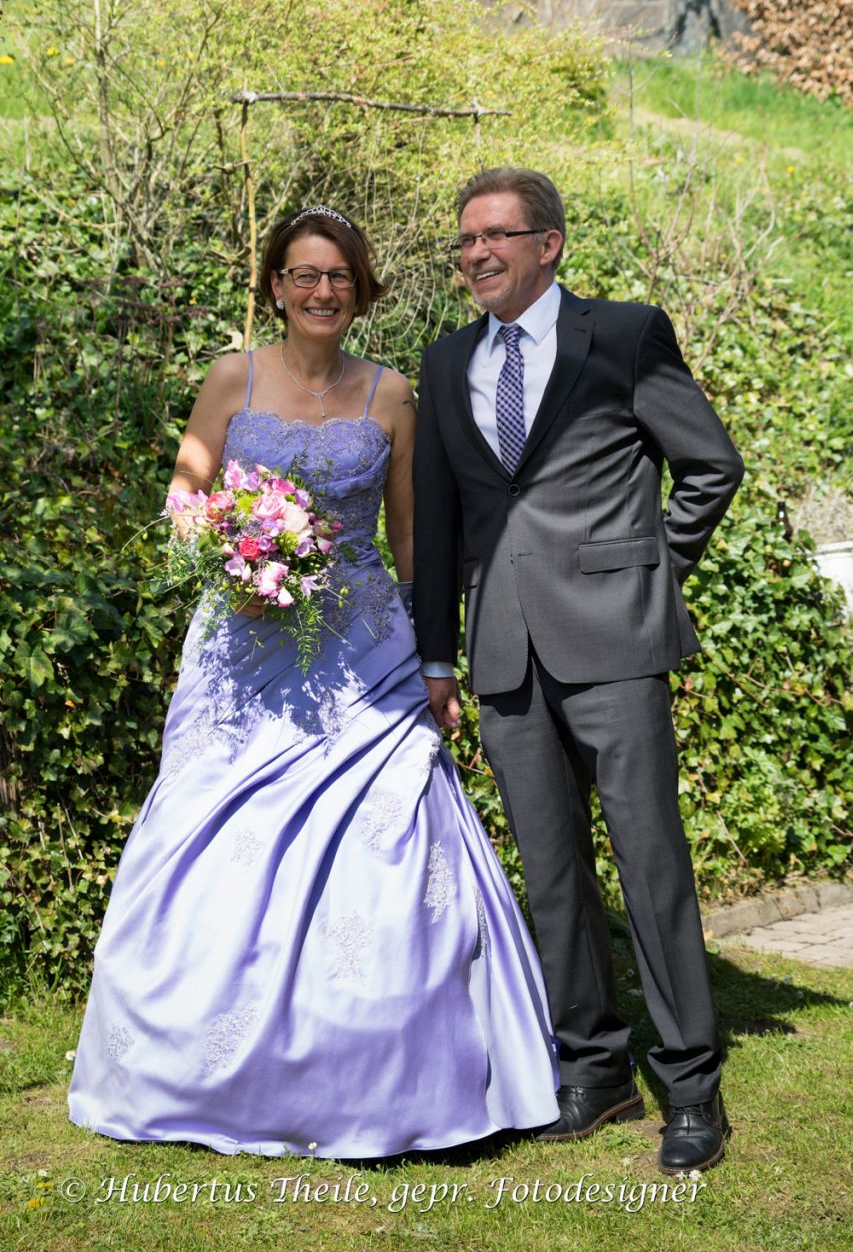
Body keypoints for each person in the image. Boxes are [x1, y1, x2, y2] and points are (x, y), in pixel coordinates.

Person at [68, 204, 560, 1158]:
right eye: (303, 274)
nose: (321, 291)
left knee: (393, 829)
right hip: (242, 642)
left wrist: (433, 656)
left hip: (364, 647)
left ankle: (392, 1070)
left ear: (360, 288)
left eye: (338, 276)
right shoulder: (232, 378)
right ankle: (193, 1069)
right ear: (275, 286)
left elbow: (410, 533)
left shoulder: (393, 395)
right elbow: (185, 497)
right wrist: (233, 548)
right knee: (210, 829)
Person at [412, 168, 745, 1174]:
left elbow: (710, 465)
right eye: (465, 239)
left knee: (651, 866)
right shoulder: (446, 361)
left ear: (548, 243)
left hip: (616, 645)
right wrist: (438, 654)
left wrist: (647, 572)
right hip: (504, 651)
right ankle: (593, 1069)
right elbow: (440, 520)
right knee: (551, 875)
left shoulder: (625, 335)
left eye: (496, 235)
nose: (476, 252)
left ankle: (690, 1085)